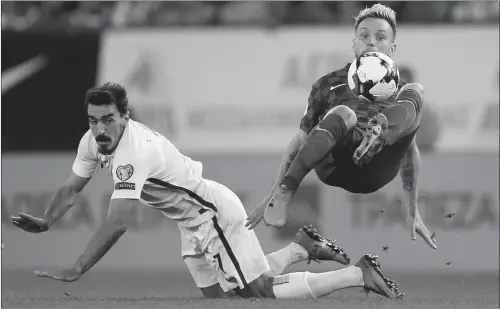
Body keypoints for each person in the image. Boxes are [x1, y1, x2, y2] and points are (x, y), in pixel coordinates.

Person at [10, 82, 404, 299]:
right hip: (191, 223)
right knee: (221, 300)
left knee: (258, 292)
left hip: (212, 213)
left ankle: (356, 274)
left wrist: (78, 268)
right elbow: (71, 188)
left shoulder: (134, 151)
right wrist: (46, 220)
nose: (99, 129)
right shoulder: (93, 141)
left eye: (108, 119)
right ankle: (298, 249)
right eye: (93, 120)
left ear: (124, 117)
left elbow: (118, 222)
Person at [245, 3, 438, 250]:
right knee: (344, 113)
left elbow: (409, 150)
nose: (371, 42)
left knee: (416, 90)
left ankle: (378, 133)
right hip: (337, 162)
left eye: (380, 37)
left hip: (379, 165)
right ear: (354, 43)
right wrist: (274, 193)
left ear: (392, 47)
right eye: (364, 36)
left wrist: (412, 210)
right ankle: (287, 191)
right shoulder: (328, 84)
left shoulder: (402, 91)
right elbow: (301, 139)